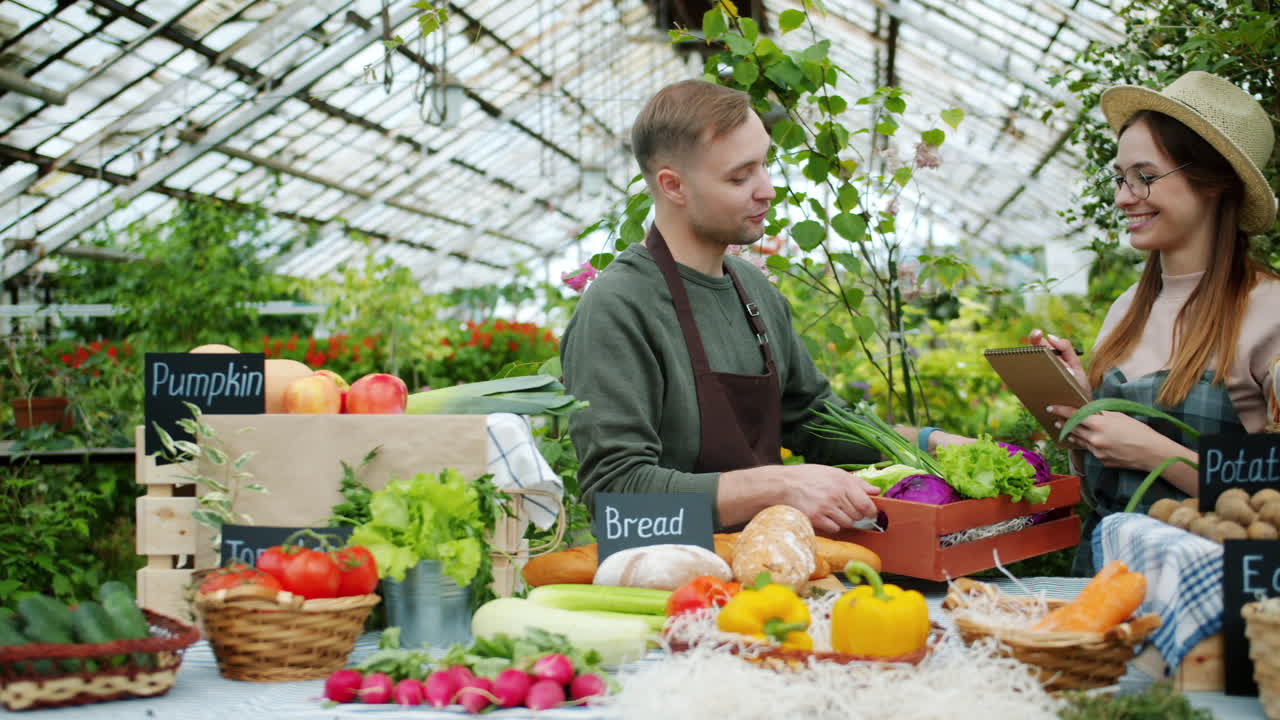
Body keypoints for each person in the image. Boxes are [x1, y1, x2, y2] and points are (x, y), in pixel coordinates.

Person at [560, 80, 970, 534]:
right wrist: (779, 487)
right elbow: (617, 496)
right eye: (740, 177)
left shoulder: (754, 290)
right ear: (673, 186)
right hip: (669, 586)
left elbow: (817, 422)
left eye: (764, 166)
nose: (768, 190)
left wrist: (933, 445)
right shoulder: (620, 307)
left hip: (775, 566)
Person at [1030, 71, 1280, 575]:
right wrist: (1081, 411)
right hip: (1102, 583)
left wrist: (1154, 453)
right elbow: (1099, 484)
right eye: (1120, 177)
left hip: (1209, 598)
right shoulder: (1127, 308)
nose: (1124, 198)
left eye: (1145, 176)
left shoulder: (1269, 308)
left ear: (1214, 182)